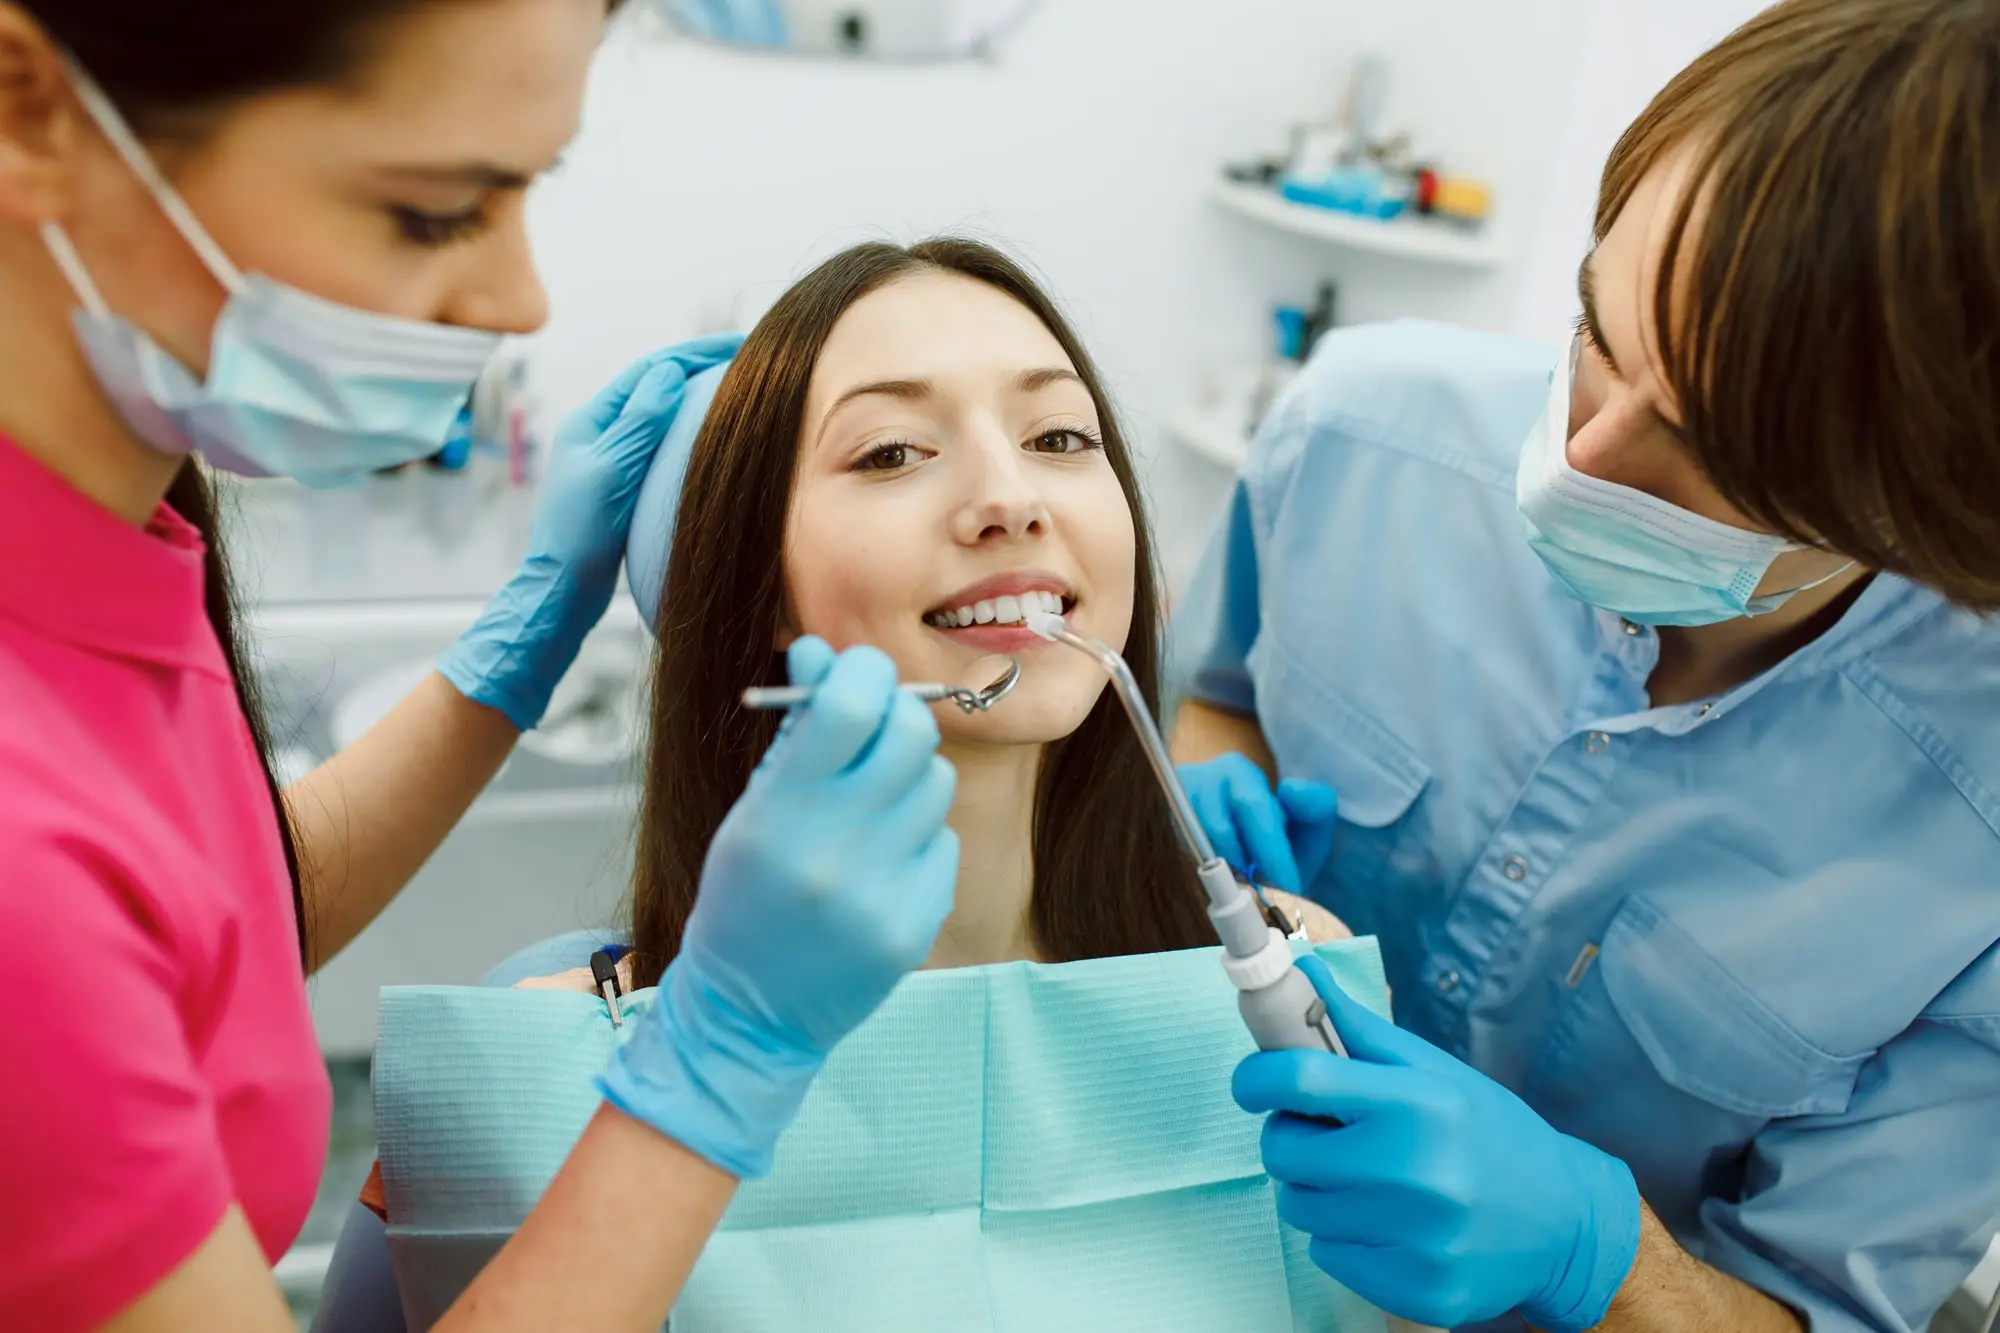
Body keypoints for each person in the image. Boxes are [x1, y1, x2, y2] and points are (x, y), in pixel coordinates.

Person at [0, 4, 962, 1330]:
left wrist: (519, 647)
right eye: (437, 210)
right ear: (26, 106)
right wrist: (719, 1060)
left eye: (1063, 436)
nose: (522, 301)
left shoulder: (119, 540)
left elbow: (207, 924)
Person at [313, 235, 1348, 1331]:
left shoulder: (1294, 990)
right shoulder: (531, 1067)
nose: (1009, 497)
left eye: (1057, 435)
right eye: (892, 452)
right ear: (762, 586)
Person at [1173, 1, 2000, 1331]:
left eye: (1718, 449)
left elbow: (1820, 1309)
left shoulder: (1978, 840)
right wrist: (1218, 787)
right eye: (1598, 332)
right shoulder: (1358, 432)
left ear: (1938, 513)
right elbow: (1217, 693)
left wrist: (1598, 1256)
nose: (1588, 453)